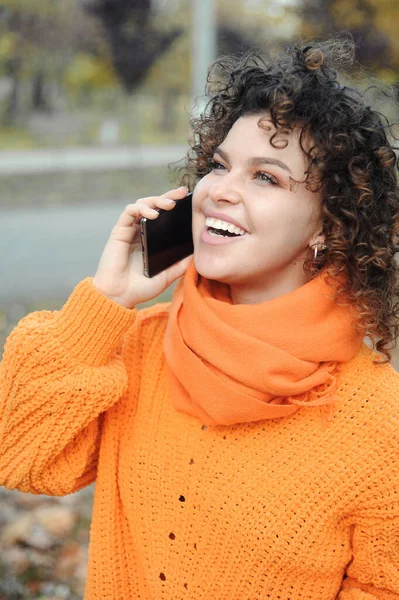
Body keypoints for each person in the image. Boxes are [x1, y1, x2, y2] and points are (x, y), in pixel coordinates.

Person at [1, 36, 399, 600]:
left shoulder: (382, 423)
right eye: (219, 165)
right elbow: (21, 456)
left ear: (329, 227)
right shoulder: (136, 350)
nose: (220, 192)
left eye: (266, 177)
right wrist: (105, 304)